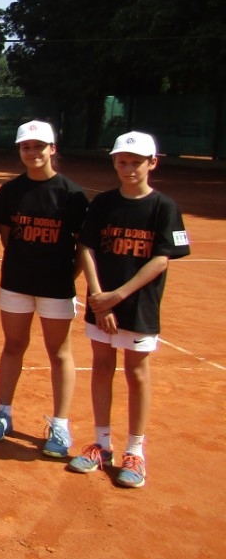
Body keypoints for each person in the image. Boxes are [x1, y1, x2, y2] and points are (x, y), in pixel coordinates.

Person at [68, 132, 189, 488]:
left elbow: (161, 260)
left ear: (153, 162)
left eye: (137, 162)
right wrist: (98, 295)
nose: (129, 168)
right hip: (102, 302)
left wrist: (115, 297)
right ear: (114, 162)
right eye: (122, 161)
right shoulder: (103, 204)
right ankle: (101, 445)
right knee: (102, 367)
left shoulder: (162, 207)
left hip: (138, 306)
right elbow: (87, 249)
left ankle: (135, 451)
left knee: (136, 374)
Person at [0, 120, 89, 457]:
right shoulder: (11, 192)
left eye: (39, 146)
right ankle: (4, 413)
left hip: (56, 288)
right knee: (13, 346)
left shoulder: (72, 195)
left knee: (59, 353)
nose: (33, 152)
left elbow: (81, 246)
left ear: (52, 149)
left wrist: (66, 278)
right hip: (16, 283)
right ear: (20, 151)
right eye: (26, 147)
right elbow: (1, 235)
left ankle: (60, 424)